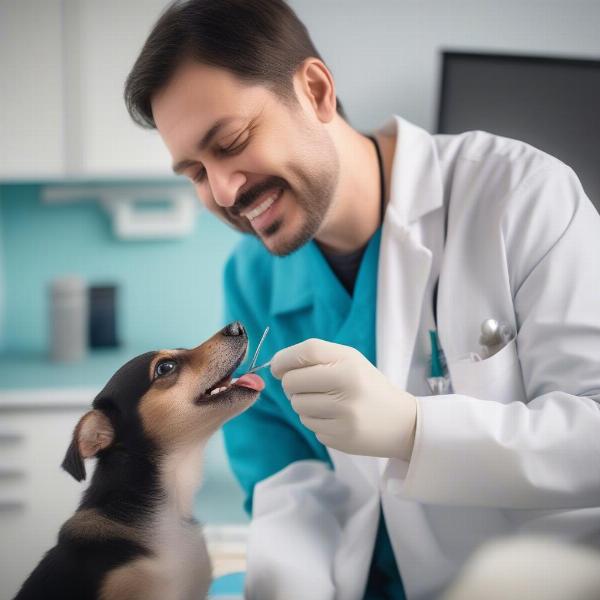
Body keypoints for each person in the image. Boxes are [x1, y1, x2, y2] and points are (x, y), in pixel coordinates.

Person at [124, 1, 600, 598]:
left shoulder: (520, 195)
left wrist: (413, 429)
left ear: (316, 90)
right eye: (194, 172)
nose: (223, 191)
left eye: (233, 142)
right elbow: (288, 485)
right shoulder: (252, 280)